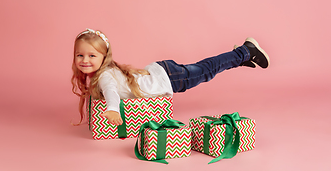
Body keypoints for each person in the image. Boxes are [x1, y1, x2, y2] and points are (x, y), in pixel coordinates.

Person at [71, 28, 269, 126]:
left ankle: (244, 52)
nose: (85, 60)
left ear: (104, 57)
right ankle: (236, 58)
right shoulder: (103, 72)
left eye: (91, 55)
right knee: (205, 69)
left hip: (168, 78)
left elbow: (111, 93)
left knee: (206, 71)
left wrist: (113, 110)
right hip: (162, 72)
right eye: (80, 55)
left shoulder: (104, 76)